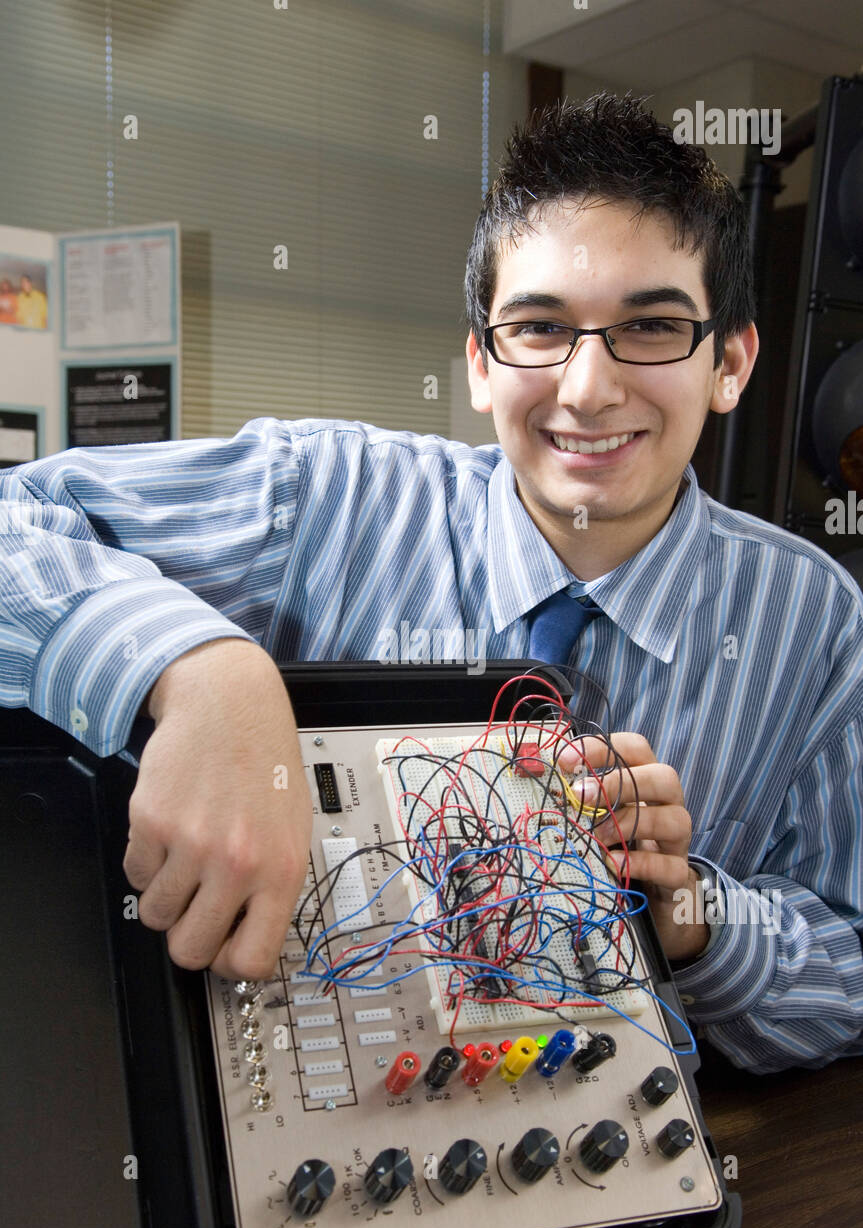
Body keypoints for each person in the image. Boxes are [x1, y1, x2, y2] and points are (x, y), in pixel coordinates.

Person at [0, 93, 861, 1074]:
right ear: (478, 364)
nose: (585, 388)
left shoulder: (815, 621)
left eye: (652, 327)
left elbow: (848, 967)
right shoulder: (323, 498)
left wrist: (693, 913)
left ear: (730, 362)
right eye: (537, 328)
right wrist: (195, 665)